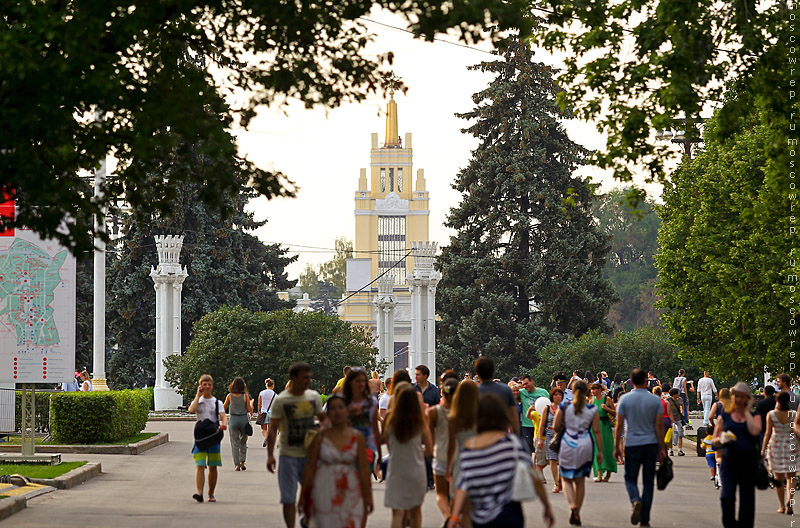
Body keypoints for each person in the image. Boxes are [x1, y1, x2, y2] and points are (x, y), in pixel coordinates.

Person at [447, 393, 555, 528]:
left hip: (479, 517)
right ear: (502, 416)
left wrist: (454, 516)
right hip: (509, 514)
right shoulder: (513, 443)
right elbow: (533, 476)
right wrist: (546, 506)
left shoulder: (469, 448)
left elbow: (463, 485)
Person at [298, 394, 373, 528]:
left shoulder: (357, 437)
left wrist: (368, 496)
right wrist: (303, 496)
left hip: (350, 490)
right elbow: (309, 468)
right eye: (332, 408)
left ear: (347, 411)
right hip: (324, 489)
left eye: (340, 407)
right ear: (327, 413)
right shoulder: (319, 438)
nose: (337, 411)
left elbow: (363, 468)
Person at [266, 362, 325, 528]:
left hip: (310, 455)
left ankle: (307, 520)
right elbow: (272, 430)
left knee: (312, 495)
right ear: (294, 378)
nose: (308, 381)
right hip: (288, 454)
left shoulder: (313, 398)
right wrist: (270, 455)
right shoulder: (282, 400)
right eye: (304, 378)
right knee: (288, 498)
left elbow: (324, 422)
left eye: (309, 378)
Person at [614, 368, 666, 528]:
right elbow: (659, 425)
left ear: (631, 381)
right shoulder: (655, 400)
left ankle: (635, 499)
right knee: (648, 482)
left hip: (632, 444)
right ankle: (644, 520)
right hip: (650, 444)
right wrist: (662, 447)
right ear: (646, 381)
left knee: (630, 478)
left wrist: (617, 446)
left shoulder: (625, 400)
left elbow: (619, 426)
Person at [383, 381, 433, 528]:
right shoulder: (419, 421)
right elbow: (429, 450)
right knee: (415, 511)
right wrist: (418, 450)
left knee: (397, 513)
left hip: (396, 468)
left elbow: (389, 446)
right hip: (416, 469)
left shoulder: (389, 419)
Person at [713, 382, 761, 528]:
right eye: (736, 396)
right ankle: (730, 524)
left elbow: (754, 431)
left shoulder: (754, 416)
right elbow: (714, 441)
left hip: (748, 463)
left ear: (747, 398)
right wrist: (722, 439)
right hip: (729, 463)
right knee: (726, 497)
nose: (739, 400)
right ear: (732, 397)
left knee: (747, 500)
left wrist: (747, 411)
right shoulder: (724, 417)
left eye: (742, 397)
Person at [554, 380, 602, 526]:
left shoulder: (564, 406)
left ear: (572, 391)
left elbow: (556, 426)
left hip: (568, 443)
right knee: (580, 481)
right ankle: (577, 512)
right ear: (586, 391)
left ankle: (572, 506)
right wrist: (600, 452)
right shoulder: (592, 409)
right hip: (585, 444)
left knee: (566, 478)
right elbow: (597, 431)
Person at [188, 374, 228, 503]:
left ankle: (211, 493)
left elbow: (223, 416)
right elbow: (191, 410)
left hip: (213, 437)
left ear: (212, 386)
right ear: (200, 386)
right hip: (200, 438)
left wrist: (224, 424)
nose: (206, 386)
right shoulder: (198, 401)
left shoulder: (217, 402)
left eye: (209, 384)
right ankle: (200, 493)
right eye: (204, 384)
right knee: (200, 465)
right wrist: (197, 395)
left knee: (213, 466)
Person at [447, 379, 480, 528]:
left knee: (463, 509)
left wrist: (448, 467)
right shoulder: (483, 417)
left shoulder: (454, 418)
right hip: (480, 462)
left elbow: (451, 446)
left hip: (461, 463)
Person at [762, 391, 796, 515]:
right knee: (791, 476)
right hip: (791, 445)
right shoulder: (794, 414)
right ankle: (789, 500)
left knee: (778, 478)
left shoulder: (771, 414)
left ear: (777, 401)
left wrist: (763, 449)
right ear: (788, 401)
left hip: (776, 445)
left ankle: (782, 506)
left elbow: (767, 433)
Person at [428, 378, 458, 522]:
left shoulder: (434, 412)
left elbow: (429, 435)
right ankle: (454, 517)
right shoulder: (463, 413)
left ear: (442, 392)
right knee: (455, 494)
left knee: (440, 494)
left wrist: (428, 450)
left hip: (440, 455)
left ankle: (448, 517)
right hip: (459, 458)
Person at [343, 367, 382, 478]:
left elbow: (375, 428)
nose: (361, 384)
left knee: (364, 483)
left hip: (367, 447)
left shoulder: (371, 402)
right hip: (347, 447)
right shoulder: (343, 401)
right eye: (357, 381)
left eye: (363, 381)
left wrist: (379, 452)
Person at [474, 357, 519, 434]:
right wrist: (516, 438)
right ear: (493, 371)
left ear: (477, 374)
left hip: (481, 436)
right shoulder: (506, 390)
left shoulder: (474, 392)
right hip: (502, 435)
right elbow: (514, 417)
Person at [538, 387, 565, 493]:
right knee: (552, 460)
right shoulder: (547, 408)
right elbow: (542, 424)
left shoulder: (565, 408)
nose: (558, 397)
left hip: (562, 435)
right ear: (552, 396)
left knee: (563, 460)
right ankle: (556, 484)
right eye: (556, 395)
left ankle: (560, 478)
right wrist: (540, 439)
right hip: (550, 435)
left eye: (560, 395)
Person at [223, 377, 253, 471]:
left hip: (233, 420)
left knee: (234, 443)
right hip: (243, 419)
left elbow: (223, 407)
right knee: (243, 442)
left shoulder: (229, 396)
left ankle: (237, 465)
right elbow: (249, 409)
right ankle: (242, 462)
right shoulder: (245, 396)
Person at [590, 382, 617, 482]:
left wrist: (607, 408)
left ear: (600, 390)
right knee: (596, 449)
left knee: (607, 448)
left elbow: (615, 413)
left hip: (605, 426)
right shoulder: (591, 401)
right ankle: (599, 473)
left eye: (595, 389)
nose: (593, 391)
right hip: (594, 427)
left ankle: (608, 473)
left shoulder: (607, 399)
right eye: (592, 389)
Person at [519, 375, 549, 455]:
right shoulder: (521, 392)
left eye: (526, 383)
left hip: (540, 425)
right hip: (527, 425)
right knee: (528, 449)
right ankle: (530, 466)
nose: (525, 386)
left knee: (539, 450)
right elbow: (512, 390)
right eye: (523, 385)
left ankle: (537, 466)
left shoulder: (543, 392)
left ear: (532, 381)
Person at [257, 378, 277, 447]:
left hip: (263, 412)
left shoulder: (262, 393)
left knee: (263, 429)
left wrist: (258, 411)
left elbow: (259, 403)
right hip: (272, 413)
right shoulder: (275, 394)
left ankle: (266, 437)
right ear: (273, 386)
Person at [666, 388, 685, 456]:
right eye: (678, 393)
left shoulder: (680, 399)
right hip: (671, 419)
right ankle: (671, 449)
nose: (679, 394)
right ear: (674, 394)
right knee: (671, 435)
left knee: (680, 434)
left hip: (678, 418)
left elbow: (682, 405)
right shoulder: (668, 400)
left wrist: (682, 412)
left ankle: (680, 449)